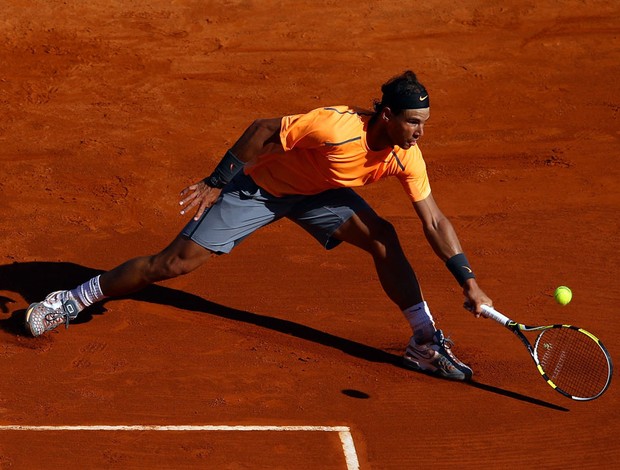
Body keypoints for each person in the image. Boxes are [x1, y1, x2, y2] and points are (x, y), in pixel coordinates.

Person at [26, 70, 492, 381]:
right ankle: (72, 299)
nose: (419, 133)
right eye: (413, 123)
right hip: (261, 189)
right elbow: (262, 130)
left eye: (424, 124)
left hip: (320, 194)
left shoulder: (406, 156)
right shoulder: (335, 127)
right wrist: (216, 182)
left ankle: (425, 340)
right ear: (387, 115)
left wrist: (468, 282)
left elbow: (433, 219)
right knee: (172, 264)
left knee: (383, 237)